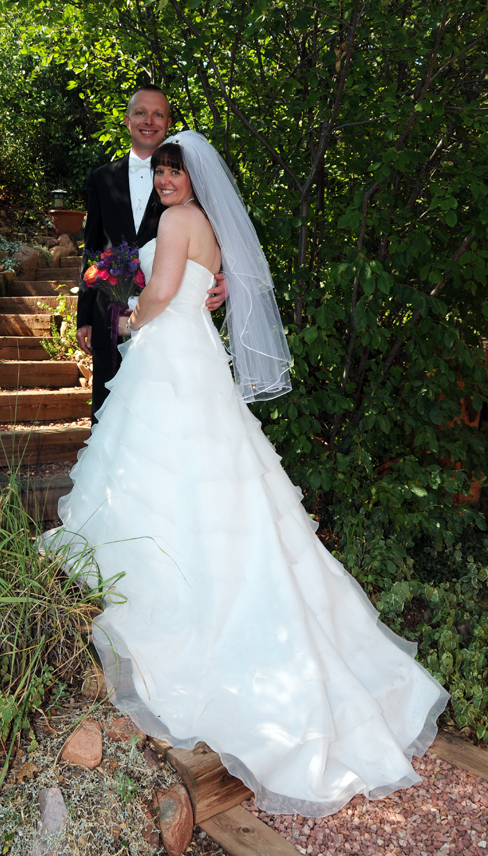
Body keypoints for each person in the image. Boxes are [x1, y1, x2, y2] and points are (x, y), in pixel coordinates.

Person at [45, 131, 448, 817]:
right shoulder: (207, 227)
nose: (167, 181)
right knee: (212, 485)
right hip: (196, 362)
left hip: (170, 363)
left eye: (175, 172)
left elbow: (167, 290)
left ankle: (174, 597)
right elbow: (209, 294)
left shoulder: (175, 221)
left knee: (161, 477)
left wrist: (127, 316)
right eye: (162, 172)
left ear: (192, 177)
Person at [76, 86, 226, 418]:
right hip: (110, 314)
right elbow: (92, 248)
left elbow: (221, 236)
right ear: (128, 121)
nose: (149, 121)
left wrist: (223, 279)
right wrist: (84, 317)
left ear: (169, 121)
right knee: (109, 420)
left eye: (158, 114)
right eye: (140, 113)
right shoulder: (101, 179)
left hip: (169, 324)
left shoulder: (189, 183)